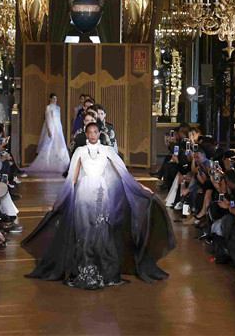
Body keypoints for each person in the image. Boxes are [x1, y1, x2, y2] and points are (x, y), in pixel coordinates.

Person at [22, 122, 175, 289]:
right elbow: (73, 175)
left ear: (99, 133)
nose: (93, 135)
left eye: (95, 132)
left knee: (102, 228)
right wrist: (63, 197)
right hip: (83, 192)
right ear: (86, 134)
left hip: (102, 191)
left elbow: (122, 172)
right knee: (84, 229)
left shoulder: (107, 151)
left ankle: (104, 269)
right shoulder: (80, 151)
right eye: (90, 132)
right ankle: (85, 269)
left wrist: (139, 187)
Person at [27, 94, 70, 173]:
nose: (55, 100)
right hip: (51, 127)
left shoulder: (58, 108)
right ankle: (47, 163)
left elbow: (58, 119)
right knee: (49, 145)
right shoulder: (48, 107)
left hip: (58, 128)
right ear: (50, 99)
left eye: (56, 98)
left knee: (59, 145)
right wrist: (49, 130)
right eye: (53, 98)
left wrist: (60, 129)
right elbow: (47, 119)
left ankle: (60, 163)